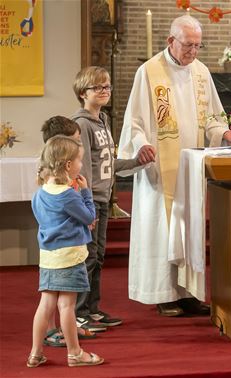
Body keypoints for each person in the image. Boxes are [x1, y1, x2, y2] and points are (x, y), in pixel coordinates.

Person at [118, 14, 231, 317]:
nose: (192, 52)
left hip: (191, 167)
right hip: (160, 166)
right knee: (162, 227)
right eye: (187, 45)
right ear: (171, 41)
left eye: (197, 46)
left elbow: (213, 119)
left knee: (189, 229)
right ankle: (163, 293)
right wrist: (140, 144)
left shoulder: (201, 73)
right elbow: (135, 122)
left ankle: (189, 292)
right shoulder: (149, 72)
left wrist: (225, 133)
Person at [71, 66, 147, 331]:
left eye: (107, 87)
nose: (104, 91)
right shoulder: (82, 124)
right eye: (97, 87)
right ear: (83, 93)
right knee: (88, 257)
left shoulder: (102, 120)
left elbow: (108, 162)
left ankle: (92, 308)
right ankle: (79, 311)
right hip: (90, 200)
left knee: (98, 256)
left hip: (102, 198)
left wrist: (137, 161)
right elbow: (84, 168)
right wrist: (86, 204)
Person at [28, 135, 104, 368]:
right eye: (80, 160)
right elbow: (90, 217)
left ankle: (35, 353)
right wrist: (86, 193)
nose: (82, 165)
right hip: (70, 256)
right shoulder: (69, 194)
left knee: (46, 304)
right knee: (67, 306)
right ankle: (75, 353)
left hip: (49, 256)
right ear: (69, 165)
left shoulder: (39, 193)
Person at [39, 116, 98, 347]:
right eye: (74, 142)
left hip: (54, 243)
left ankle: (65, 328)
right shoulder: (51, 176)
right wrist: (85, 210)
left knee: (52, 296)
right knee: (59, 298)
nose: (78, 147)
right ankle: (57, 331)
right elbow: (68, 207)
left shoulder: (59, 176)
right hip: (65, 244)